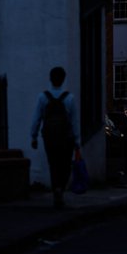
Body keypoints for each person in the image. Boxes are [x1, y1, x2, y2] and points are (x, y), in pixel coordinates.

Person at [30, 66, 81, 207]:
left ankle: (56, 190)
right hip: (67, 138)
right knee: (65, 165)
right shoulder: (69, 98)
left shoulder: (43, 97)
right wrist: (77, 140)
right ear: (63, 79)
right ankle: (61, 189)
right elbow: (74, 121)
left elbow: (36, 119)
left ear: (50, 79)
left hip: (50, 137)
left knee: (53, 164)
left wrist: (33, 136)